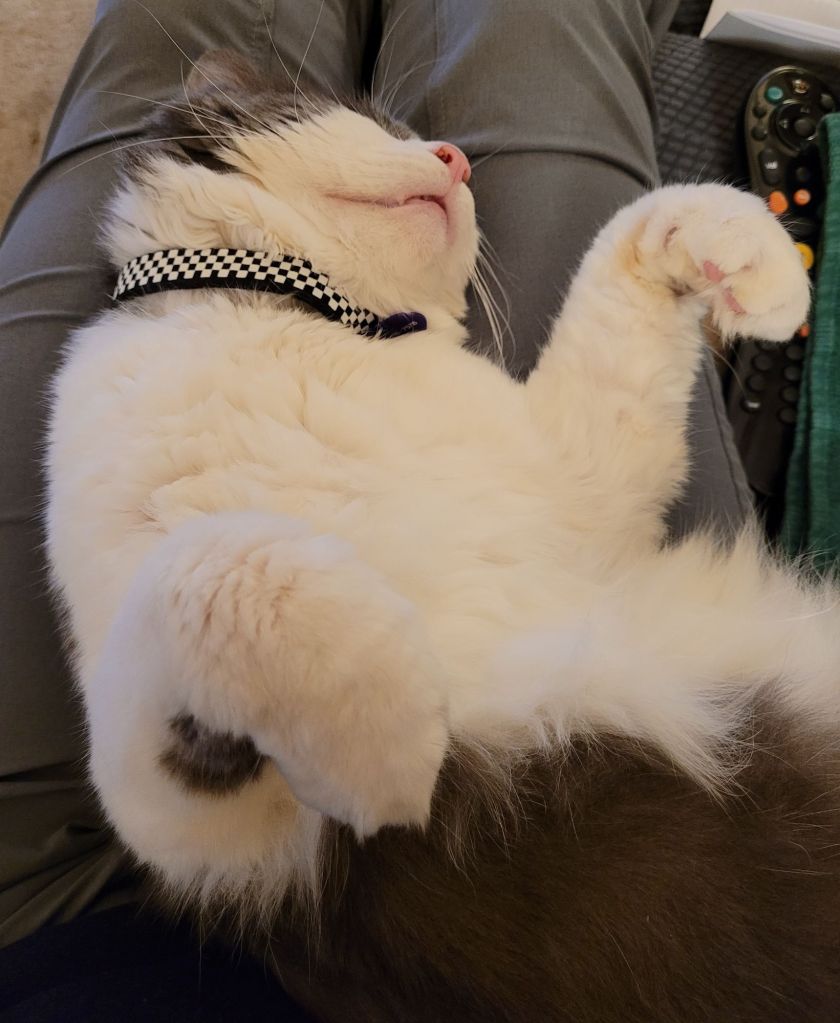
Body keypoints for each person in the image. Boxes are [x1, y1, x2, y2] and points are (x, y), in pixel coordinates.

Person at [0, 0, 751, 1009]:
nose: (453, 161)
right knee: (534, 34)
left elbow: (196, 790)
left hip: (64, 916)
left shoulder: (130, 381)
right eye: (403, 141)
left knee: (163, 30)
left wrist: (229, 612)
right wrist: (648, 279)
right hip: (648, 836)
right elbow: (587, 508)